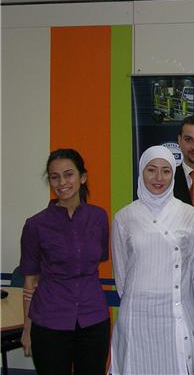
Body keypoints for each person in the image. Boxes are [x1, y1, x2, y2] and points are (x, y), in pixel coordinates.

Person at [111, 145, 194, 374]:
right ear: (141, 171)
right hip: (137, 316)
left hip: (177, 314)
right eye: (151, 170)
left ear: (174, 174)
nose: (159, 178)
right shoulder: (124, 217)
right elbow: (122, 276)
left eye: (166, 171)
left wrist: (178, 299)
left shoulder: (191, 216)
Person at [20, 148, 110, 375]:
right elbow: (30, 281)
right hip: (49, 321)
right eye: (55, 177)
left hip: (93, 319)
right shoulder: (35, 225)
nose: (62, 183)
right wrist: (27, 329)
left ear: (82, 177)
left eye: (68, 174)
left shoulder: (99, 217)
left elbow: (99, 257)